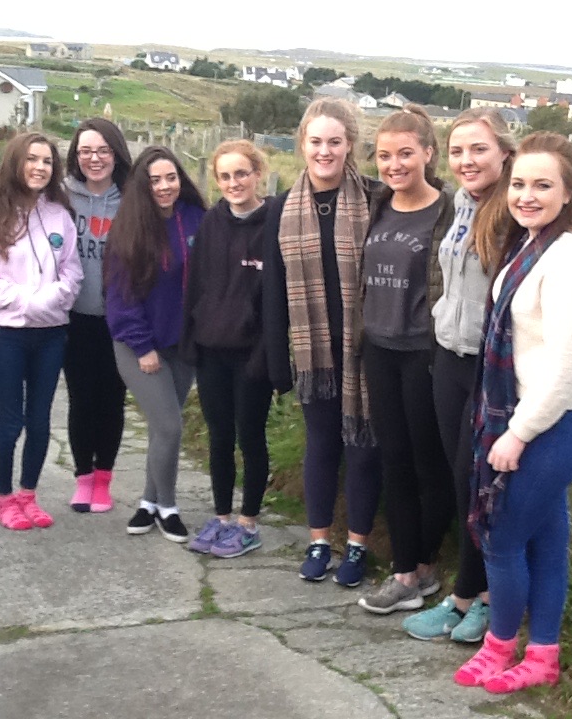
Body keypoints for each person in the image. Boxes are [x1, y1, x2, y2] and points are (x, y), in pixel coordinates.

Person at [452, 131, 572, 693]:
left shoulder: (570, 259)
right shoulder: (535, 243)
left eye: (543, 185)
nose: (527, 196)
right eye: (519, 184)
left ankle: (499, 647)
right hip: (532, 416)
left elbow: (569, 369)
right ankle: (543, 654)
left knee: (502, 538)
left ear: (568, 192)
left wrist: (518, 433)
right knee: (546, 540)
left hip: (556, 422)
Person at [402, 108, 515, 642]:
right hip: (448, 355)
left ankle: (476, 598)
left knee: (479, 483)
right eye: (457, 151)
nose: (467, 160)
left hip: (487, 365)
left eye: (479, 149)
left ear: (505, 154)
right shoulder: (460, 204)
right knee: (459, 478)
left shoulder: (514, 210)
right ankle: (471, 593)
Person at [264, 98, 382, 586]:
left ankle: (356, 547)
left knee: (363, 448)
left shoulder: (377, 199)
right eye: (316, 141)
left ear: (350, 145)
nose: (325, 151)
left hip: (366, 349)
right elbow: (272, 289)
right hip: (313, 353)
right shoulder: (281, 209)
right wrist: (278, 362)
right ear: (302, 144)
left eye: (335, 141)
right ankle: (318, 541)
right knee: (321, 445)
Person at [355, 105, 455, 614]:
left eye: (405, 154)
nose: (394, 165)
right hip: (379, 347)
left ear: (428, 154)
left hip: (423, 350)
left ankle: (423, 565)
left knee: (428, 462)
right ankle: (405, 571)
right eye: (384, 155)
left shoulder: (449, 212)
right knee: (393, 459)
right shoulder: (376, 203)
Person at [0, 132, 83, 531]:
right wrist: (25, 301)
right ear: (16, 163)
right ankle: (4, 498)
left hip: (51, 335)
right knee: (10, 421)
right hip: (8, 336)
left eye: (47, 161)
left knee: (40, 420)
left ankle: (28, 494)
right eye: (32, 159)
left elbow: (73, 273)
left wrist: (52, 299)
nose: (39, 167)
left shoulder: (60, 215)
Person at [104, 146, 206, 543]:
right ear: (142, 186)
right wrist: (143, 347)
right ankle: (168, 507)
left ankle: (147, 502)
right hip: (138, 347)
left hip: (183, 345)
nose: (164, 187)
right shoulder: (128, 228)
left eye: (171, 178)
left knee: (164, 430)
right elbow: (120, 298)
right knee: (169, 426)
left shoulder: (197, 218)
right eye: (155, 180)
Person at [182, 140, 273, 558]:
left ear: (257, 174)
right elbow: (196, 286)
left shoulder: (273, 224)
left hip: (252, 354)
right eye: (225, 176)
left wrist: (266, 353)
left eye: (241, 173)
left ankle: (248, 524)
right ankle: (220, 519)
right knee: (219, 437)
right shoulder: (211, 223)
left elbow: (276, 299)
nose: (233, 183)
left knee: (250, 437)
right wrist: (193, 340)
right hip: (211, 351)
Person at [63, 118, 132, 513]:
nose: (95, 158)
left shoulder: (132, 200)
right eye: (86, 151)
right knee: (80, 400)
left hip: (118, 320)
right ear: (76, 155)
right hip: (74, 318)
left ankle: (104, 479)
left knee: (112, 400)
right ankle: (83, 478)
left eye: (103, 150)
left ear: (116, 154)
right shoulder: (61, 198)